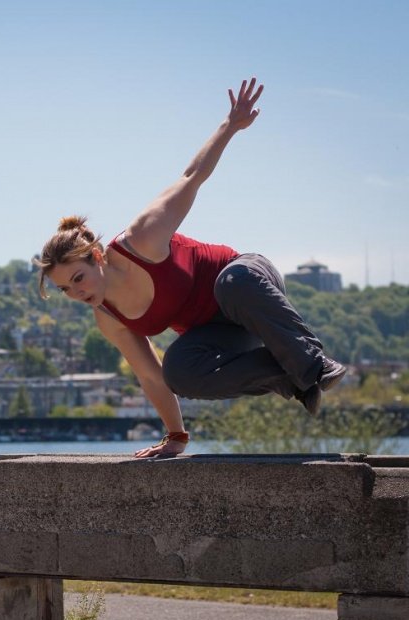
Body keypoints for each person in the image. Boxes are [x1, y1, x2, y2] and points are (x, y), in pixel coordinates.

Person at [35, 78, 347, 459]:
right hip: (219, 334)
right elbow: (150, 375)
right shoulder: (110, 318)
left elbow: (191, 176)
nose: (77, 293)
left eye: (78, 278)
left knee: (233, 281)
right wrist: (175, 436)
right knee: (178, 370)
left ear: (97, 257)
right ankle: (295, 380)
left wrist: (230, 126)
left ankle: (313, 364)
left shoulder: (142, 239)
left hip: (246, 283)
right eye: (66, 289)